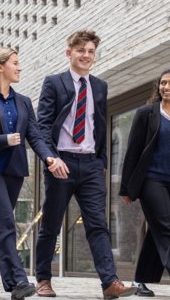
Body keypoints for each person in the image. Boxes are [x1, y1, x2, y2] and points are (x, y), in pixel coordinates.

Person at [35, 29, 136, 299]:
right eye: (81, 50)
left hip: (90, 165)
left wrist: (101, 161)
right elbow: (43, 126)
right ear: (69, 53)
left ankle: (109, 282)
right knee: (52, 224)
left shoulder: (100, 86)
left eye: (91, 51)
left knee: (98, 224)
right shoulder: (54, 83)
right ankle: (43, 279)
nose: (86, 56)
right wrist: (50, 157)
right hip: (61, 162)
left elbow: (98, 125)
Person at [0, 47, 66, 300]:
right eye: (15, 63)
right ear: (0, 67)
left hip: (14, 171)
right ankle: (17, 281)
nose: (19, 67)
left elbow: (34, 134)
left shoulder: (23, 101)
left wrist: (49, 157)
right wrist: (1, 140)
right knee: (6, 220)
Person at [119, 69, 170, 297]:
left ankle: (141, 280)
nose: (166, 87)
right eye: (163, 83)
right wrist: (126, 188)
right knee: (166, 227)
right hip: (152, 180)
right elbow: (132, 152)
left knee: (157, 231)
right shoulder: (146, 113)